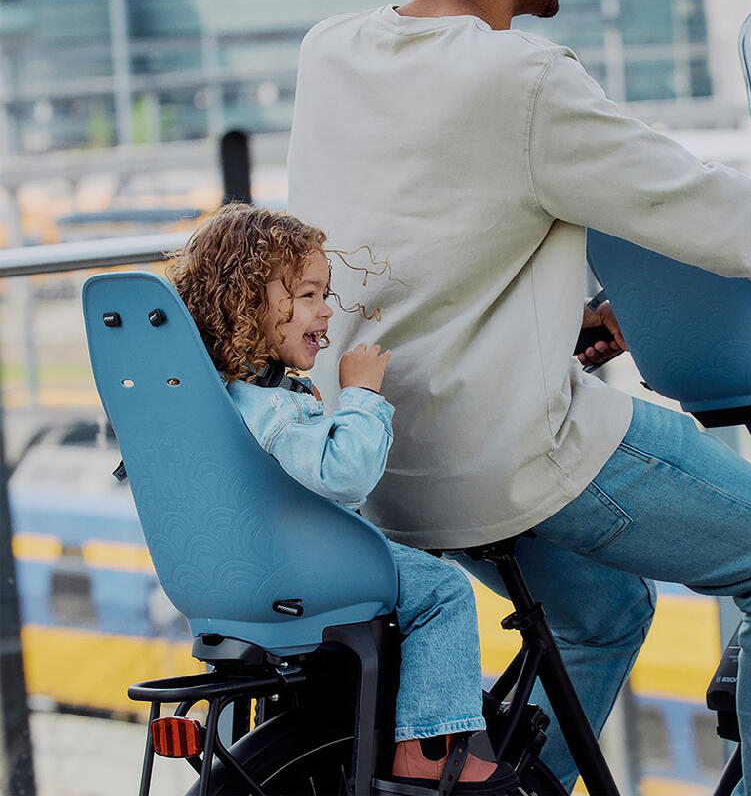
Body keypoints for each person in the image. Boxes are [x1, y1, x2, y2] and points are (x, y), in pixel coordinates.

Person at [286, 0, 751, 793]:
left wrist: (565, 314)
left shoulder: (330, 51)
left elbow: (425, 246)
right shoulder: (521, 76)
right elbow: (709, 208)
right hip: (506, 453)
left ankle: (522, 787)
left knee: (604, 619)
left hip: (377, 458)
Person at [167, 203, 519, 794]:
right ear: (248, 303)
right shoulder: (271, 403)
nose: (327, 310)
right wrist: (361, 395)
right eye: (307, 294)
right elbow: (345, 474)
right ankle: (429, 752)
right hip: (302, 566)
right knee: (442, 591)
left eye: (325, 294)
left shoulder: (208, 398)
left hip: (226, 572)